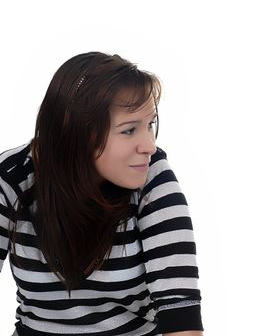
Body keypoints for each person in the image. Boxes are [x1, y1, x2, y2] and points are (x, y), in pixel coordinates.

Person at [0, 52, 203, 335]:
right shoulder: (12, 177)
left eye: (150, 124)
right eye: (129, 130)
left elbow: (180, 313)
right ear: (76, 132)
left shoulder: (152, 176)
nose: (149, 146)